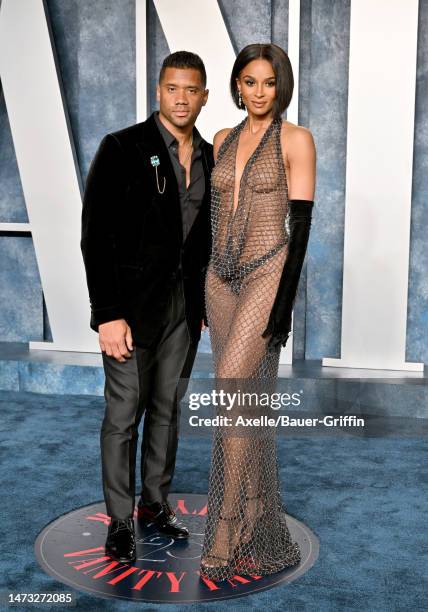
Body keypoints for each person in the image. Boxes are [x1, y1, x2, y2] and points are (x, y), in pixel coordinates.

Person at [80, 51, 213, 563]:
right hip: (130, 311)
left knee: (166, 410)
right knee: (123, 414)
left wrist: (199, 302)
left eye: (192, 89)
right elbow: (96, 236)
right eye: (172, 88)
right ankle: (119, 517)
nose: (182, 98)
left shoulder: (208, 154)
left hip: (183, 307)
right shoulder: (121, 147)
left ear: (203, 96)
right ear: (159, 91)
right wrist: (106, 312)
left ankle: (154, 504)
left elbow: (200, 237)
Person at [200, 43, 316, 580]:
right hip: (219, 279)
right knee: (238, 403)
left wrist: (283, 308)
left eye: (269, 83)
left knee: (231, 385)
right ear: (237, 85)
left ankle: (227, 523)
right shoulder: (222, 139)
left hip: (268, 272)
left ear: (282, 86)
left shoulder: (296, 140)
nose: (259, 93)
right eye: (249, 82)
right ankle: (252, 512)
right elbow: (207, 214)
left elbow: (302, 231)